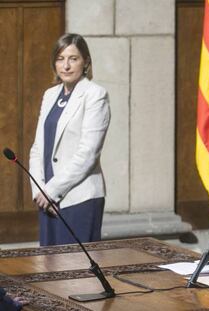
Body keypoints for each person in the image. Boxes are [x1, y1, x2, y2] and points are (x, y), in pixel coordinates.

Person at [29, 33, 110, 246]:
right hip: (47, 200)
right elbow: (38, 148)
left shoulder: (95, 94)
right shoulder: (50, 95)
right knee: (50, 270)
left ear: (85, 62)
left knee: (77, 273)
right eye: (60, 59)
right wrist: (40, 191)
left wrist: (53, 190)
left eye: (73, 59)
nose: (66, 65)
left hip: (79, 198)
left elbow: (88, 154)